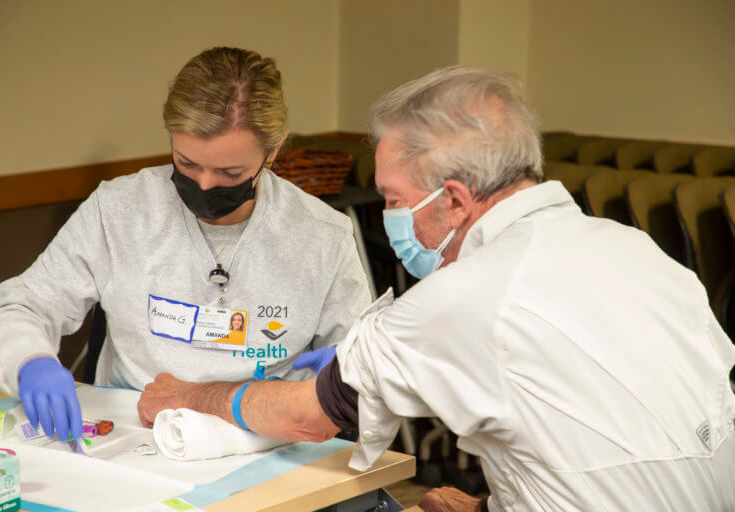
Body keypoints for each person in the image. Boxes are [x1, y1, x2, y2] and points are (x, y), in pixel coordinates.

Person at [138, 66, 735, 511]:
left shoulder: (465, 295)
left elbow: (305, 419)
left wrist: (189, 395)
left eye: (394, 200)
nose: (390, 217)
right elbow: (609, 447)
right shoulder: (637, 252)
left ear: (451, 200)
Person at [0, 47, 371, 444]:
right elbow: (24, 304)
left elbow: (361, 376)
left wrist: (350, 370)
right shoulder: (119, 209)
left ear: (273, 151)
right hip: (132, 436)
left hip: (262, 443)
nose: (203, 185)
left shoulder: (322, 237)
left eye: (229, 171)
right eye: (186, 163)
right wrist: (31, 360)